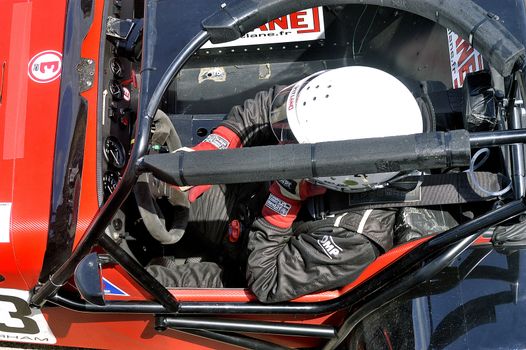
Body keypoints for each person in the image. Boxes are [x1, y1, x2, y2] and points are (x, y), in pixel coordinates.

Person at [147, 66, 431, 303]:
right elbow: (267, 105)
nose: (282, 135)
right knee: (152, 182)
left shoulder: (355, 238)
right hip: (242, 197)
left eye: (292, 138)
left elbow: (266, 282)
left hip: (249, 269)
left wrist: (283, 203)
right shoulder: (348, 95)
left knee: (140, 288)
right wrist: (215, 147)